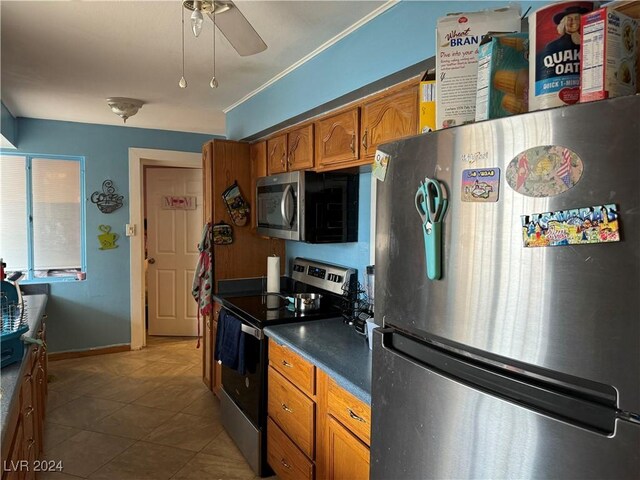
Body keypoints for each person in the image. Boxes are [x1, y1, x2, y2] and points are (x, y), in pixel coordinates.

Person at [536, 5, 591, 80]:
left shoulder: (590, 42)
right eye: (569, 19)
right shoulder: (552, 46)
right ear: (563, 23)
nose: (572, 22)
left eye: (576, 19)